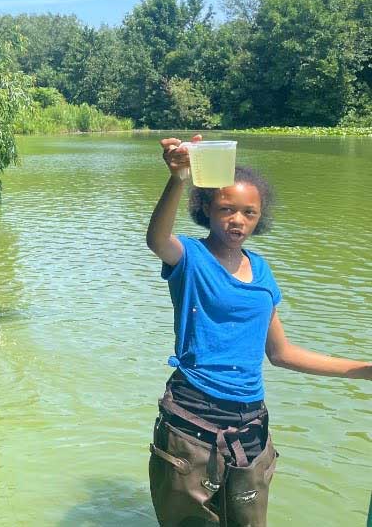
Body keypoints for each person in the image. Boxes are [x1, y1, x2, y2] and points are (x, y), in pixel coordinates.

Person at [146, 136, 372, 526]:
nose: (238, 220)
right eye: (227, 209)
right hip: (193, 414)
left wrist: (364, 370)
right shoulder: (191, 258)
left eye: (249, 212)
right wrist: (178, 177)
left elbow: (281, 353)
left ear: (260, 218)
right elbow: (157, 239)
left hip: (250, 423)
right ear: (206, 209)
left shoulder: (262, 270)